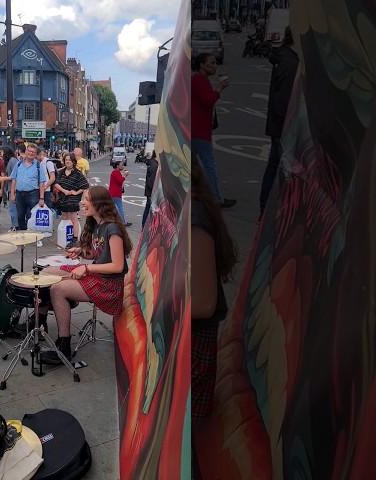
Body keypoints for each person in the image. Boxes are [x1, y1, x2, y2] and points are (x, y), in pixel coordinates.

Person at [38, 186, 132, 364]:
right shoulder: (98, 225)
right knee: (47, 272)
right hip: (98, 277)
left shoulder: (112, 229)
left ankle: (64, 347)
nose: (82, 202)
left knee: (58, 289)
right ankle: (40, 323)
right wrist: (81, 252)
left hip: (108, 286)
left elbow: (118, 266)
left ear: (99, 203)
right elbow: (99, 253)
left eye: (86, 199)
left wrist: (87, 269)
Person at [191, 153, 237, 473]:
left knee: (190, 428)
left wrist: (157, 302)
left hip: (196, 338)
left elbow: (204, 301)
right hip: (192, 336)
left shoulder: (194, 215)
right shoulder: (193, 208)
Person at [259, 26, 299, 218]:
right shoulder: (290, 62)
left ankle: (267, 209)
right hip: (284, 125)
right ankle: (276, 211)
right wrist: (287, 127)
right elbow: (282, 99)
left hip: (279, 124)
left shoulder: (285, 58)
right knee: (283, 167)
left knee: (275, 165)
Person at [191, 53, 235, 208]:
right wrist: (220, 88)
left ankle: (198, 197)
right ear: (202, 65)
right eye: (212, 63)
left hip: (198, 131)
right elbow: (208, 100)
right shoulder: (199, 80)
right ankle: (215, 198)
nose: (215, 66)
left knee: (195, 166)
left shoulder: (200, 80)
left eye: (215, 63)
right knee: (209, 165)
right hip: (199, 132)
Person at [53, 153, 88, 243]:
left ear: (73, 162)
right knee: (64, 216)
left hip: (73, 199)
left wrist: (76, 192)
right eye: (66, 160)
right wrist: (64, 191)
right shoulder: (61, 171)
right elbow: (56, 183)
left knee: (73, 218)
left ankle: (75, 238)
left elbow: (85, 185)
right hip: (63, 197)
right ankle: (64, 237)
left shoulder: (78, 173)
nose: (67, 161)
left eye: (69, 160)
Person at [10, 143, 46, 231]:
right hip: (19, 194)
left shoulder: (38, 165)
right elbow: (14, 180)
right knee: (20, 216)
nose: (31, 153)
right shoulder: (18, 164)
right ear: (26, 152)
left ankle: (34, 235)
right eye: (29, 151)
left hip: (33, 194)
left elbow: (42, 183)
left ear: (35, 154)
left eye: (33, 152)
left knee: (32, 216)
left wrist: (41, 198)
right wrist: (12, 194)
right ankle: (23, 235)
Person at [0, 147, 19, 231]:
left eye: (1, 152)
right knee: (12, 209)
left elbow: (15, 176)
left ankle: (16, 226)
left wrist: (4, 179)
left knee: (13, 209)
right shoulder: (10, 161)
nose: (0, 154)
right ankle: (14, 225)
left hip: (13, 189)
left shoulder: (13, 161)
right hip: (10, 188)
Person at [108, 160, 132, 227]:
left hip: (114, 193)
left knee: (112, 207)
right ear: (117, 166)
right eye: (121, 165)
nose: (123, 166)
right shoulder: (115, 172)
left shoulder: (116, 172)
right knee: (120, 208)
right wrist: (124, 176)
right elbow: (120, 181)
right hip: (115, 193)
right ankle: (123, 222)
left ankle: (111, 220)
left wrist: (123, 174)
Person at [142, 150, 159, 227]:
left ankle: (145, 225)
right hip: (151, 192)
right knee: (150, 209)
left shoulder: (152, 163)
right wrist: (153, 192)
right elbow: (151, 180)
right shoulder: (154, 165)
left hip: (149, 191)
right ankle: (146, 226)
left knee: (148, 209)